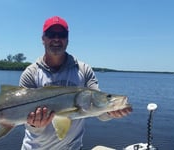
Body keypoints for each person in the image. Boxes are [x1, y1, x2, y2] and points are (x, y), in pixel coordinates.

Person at [19, 16, 132, 150]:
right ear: (43, 39)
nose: (56, 39)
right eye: (51, 34)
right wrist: (34, 124)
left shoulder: (84, 70)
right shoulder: (30, 73)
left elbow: (98, 111)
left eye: (61, 35)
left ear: (67, 39)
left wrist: (110, 112)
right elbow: (25, 120)